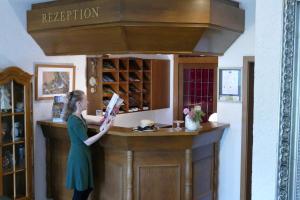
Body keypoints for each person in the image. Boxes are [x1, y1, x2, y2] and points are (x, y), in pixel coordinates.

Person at [63, 90, 112, 200]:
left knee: (86, 188)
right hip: (78, 157)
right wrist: (104, 131)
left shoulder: (79, 117)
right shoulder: (74, 120)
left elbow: (86, 122)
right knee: (81, 191)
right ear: (78, 103)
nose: (88, 102)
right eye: (85, 100)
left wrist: (102, 121)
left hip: (83, 155)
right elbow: (87, 141)